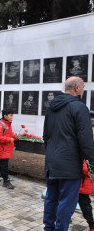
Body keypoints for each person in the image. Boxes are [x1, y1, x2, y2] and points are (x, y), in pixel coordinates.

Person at [43, 76, 94, 230]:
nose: (83, 90)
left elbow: (46, 136)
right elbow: (86, 140)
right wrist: (92, 164)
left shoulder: (51, 108)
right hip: (70, 166)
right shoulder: (79, 107)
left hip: (52, 162)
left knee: (51, 198)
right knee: (67, 202)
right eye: (83, 87)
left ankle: (48, 228)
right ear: (77, 88)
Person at [0, 108, 19, 189]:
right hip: (2, 148)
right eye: (11, 115)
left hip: (6, 147)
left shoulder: (8, 124)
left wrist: (14, 137)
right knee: (4, 165)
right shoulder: (1, 125)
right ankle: (6, 181)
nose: (12, 117)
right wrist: (9, 139)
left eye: (12, 115)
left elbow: (8, 135)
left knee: (1, 162)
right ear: (5, 116)